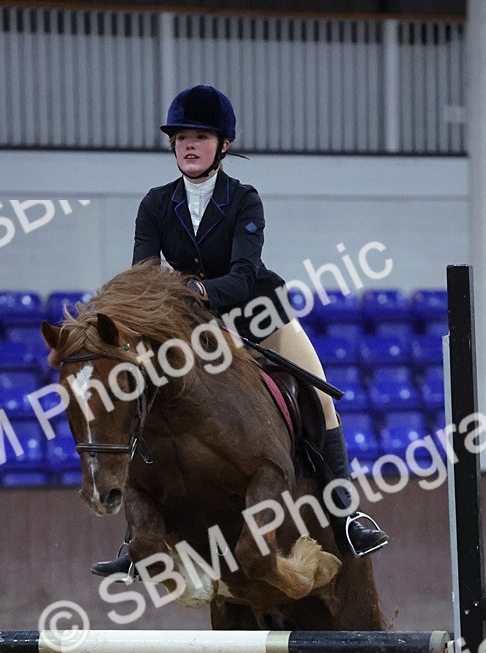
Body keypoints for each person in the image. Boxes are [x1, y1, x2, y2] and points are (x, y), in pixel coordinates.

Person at [92, 84, 388, 577]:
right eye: (181, 137)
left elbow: (243, 276)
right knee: (139, 391)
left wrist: (195, 290)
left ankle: (346, 514)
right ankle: (136, 534)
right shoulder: (155, 204)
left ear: (223, 145)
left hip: (259, 316)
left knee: (321, 397)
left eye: (200, 137)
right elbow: (143, 274)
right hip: (192, 328)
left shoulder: (244, 200)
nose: (188, 145)